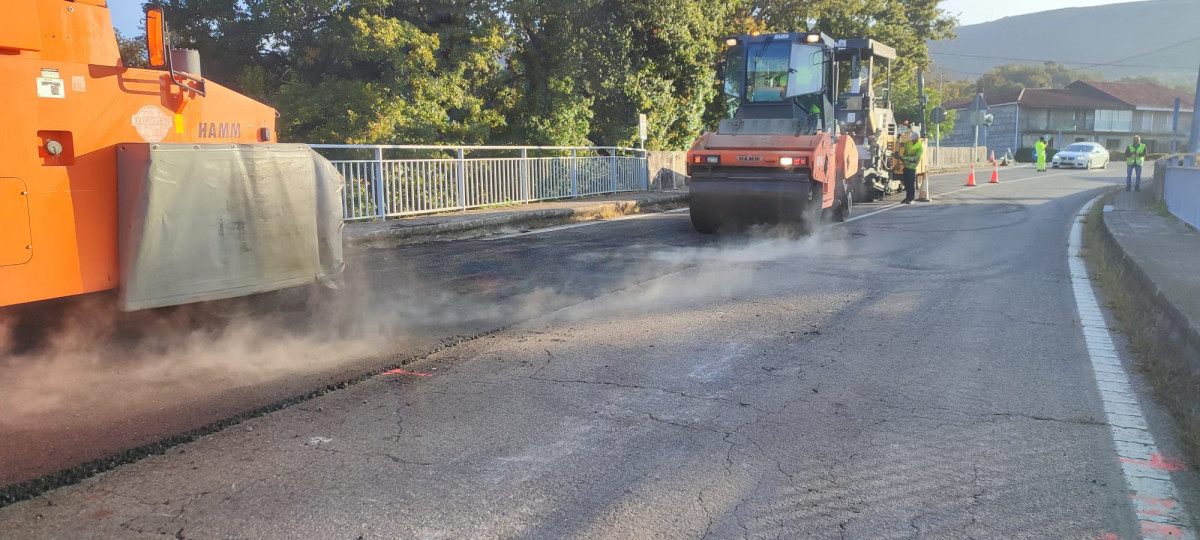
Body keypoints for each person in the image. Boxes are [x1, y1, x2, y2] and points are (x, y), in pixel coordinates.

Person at [900, 130, 923, 204]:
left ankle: (911, 198)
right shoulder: (909, 142)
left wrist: (903, 158)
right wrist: (898, 140)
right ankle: (907, 197)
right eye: (911, 138)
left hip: (912, 168)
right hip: (906, 166)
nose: (912, 140)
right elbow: (902, 144)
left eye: (913, 138)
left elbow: (915, 159)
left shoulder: (920, 147)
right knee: (906, 183)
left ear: (917, 138)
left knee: (910, 184)